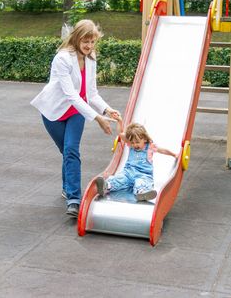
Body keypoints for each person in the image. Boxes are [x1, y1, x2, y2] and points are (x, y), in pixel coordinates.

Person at [31, 19, 120, 217]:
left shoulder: (91, 58)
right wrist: (97, 118)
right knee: (66, 152)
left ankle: (73, 199)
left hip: (76, 112)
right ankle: (68, 187)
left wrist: (107, 110)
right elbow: (71, 94)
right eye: (85, 42)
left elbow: (91, 93)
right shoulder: (62, 58)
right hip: (53, 112)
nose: (89, 46)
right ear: (76, 39)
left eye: (92, 42)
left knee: (71, 151)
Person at [96, 117, 177, 201]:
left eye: (137, 142)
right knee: (120, 179)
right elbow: (120, 133)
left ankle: (142, 192)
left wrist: (174, 154)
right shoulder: (130, 144)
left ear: (144, 139)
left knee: (141, 183)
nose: (135, 145)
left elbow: (162, 150)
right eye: (132, 142)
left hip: (143, 174)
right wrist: (119, 121)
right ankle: (107, 186)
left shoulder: (150, 147)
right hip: (128, 173)